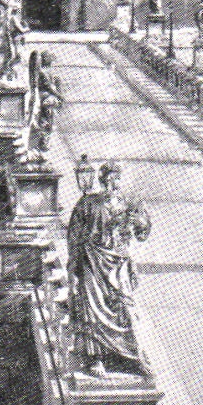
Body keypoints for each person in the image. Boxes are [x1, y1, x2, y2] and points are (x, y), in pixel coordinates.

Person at [66, 161, 152, 376]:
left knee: (125, 308)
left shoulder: (127, 204)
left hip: (118, 265)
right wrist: (74, 267)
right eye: (109, 178)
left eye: (117, 178)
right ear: (103, 180)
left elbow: (142, 233)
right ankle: (96, 359)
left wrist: (139, 221)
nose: (113, 182)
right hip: (93, 263)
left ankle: (132, 354)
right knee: (93, 311)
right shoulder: (88, 203)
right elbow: (74, 237)